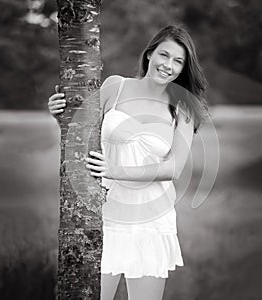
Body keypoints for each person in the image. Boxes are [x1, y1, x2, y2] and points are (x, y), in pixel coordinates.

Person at [48, 24, 208, 300]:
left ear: (184, 68)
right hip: (105, 217)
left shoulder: (183, 108)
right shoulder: (116, 87)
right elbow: (81, 130)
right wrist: (58, 113)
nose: (168, 65)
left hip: (150, 220)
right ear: (149, 55)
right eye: (164, 55)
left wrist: (115, 170)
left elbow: (173, 167)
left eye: (178, 61)